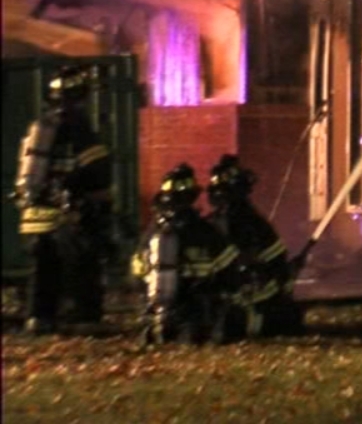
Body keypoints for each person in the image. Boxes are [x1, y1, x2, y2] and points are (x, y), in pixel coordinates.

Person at [11, 66, 113, 336]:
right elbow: (96, 167)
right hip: (66, 211)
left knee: (42, 270)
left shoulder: (40, 128)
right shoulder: (78, 125)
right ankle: (85, 317)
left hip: (34, 212)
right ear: (80, 95)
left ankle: (38, 318)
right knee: (82, 263)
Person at [130, 163, 243, 345]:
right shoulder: (204, 231)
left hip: (154, 310)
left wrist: (146, 297)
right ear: (191, 197)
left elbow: (136, 272)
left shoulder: (152, 232)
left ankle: (154, 330)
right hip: (194, 311)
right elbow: (230, 269)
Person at [206, 154, 304, 337]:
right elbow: (278, 266)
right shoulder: (253, 224)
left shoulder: (207, 225)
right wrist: (290, 272)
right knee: (290, 318)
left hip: (214, 307)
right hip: (249, 303)